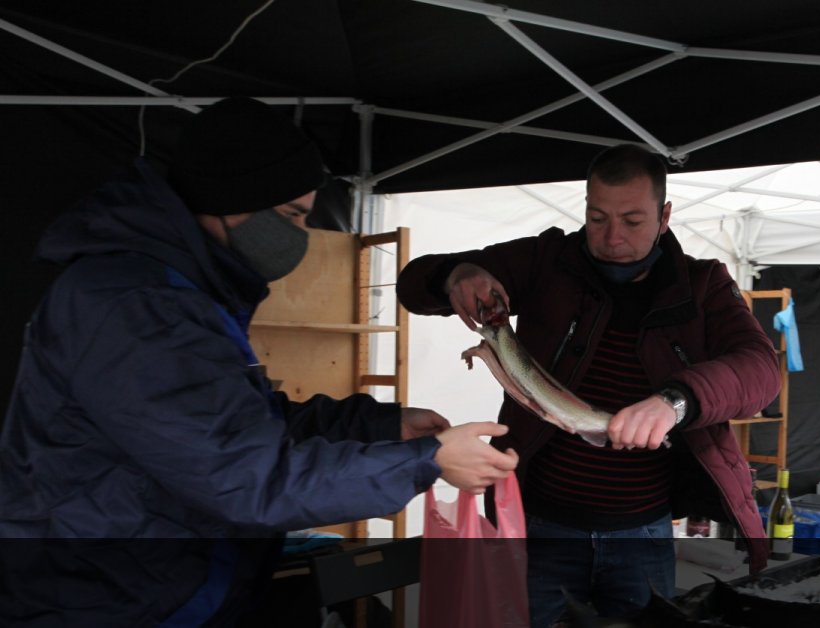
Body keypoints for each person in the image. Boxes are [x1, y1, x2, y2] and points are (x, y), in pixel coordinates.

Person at [0, 97, 518, 626]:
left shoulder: (178, 291)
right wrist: (425, 460)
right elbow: (245, 477)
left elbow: (238, 423)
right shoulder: (140, 307)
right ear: (233, 199)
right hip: (103, 600)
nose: (300, 234)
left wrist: (383, 426)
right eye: (292, 215)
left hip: (151, 582)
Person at [396, 144, 780, 626]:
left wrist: (674, 403)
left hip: (643, 535)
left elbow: (762, 370)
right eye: (597, 218)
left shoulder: (702, 286)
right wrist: (457, 273)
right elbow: (413, 284)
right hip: (536, 528)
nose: (611, 237)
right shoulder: (547, 262)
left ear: (664, 216)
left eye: (632, 221)